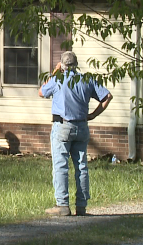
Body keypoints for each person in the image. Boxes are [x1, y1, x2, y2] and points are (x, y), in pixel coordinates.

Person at [39, 51, 113, 216]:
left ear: (62, 65)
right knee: (81, 166)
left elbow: (41, 91)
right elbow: (107, 96)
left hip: (62, 126)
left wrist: (54, 72)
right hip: (82, 126)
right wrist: (93, 115)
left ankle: (63, 205)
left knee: (61, 165)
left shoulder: (58, 79)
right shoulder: (86, 80)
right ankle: (81, 206)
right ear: (76, 64)